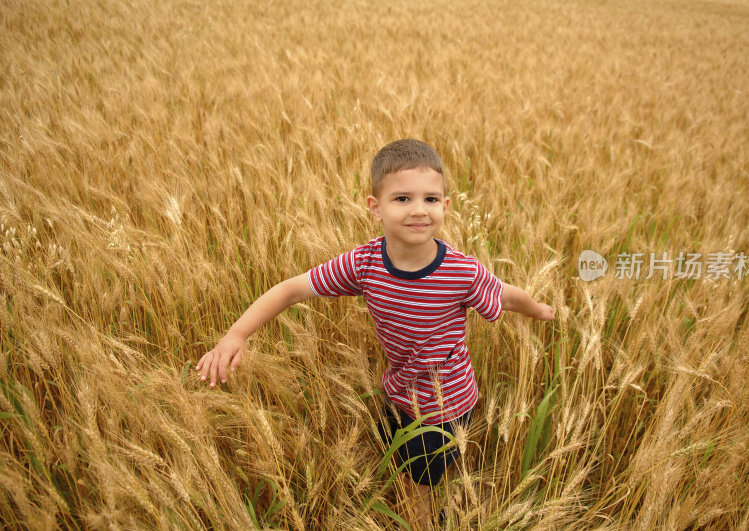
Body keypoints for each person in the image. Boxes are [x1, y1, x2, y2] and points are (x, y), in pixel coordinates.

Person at [195, 139, 555, 530]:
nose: (419, 210)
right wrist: (236, 333)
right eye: (402, 198)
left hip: (444, 404)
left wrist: (537, 309)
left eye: (431, 199)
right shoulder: (364, 263)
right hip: (398, 391)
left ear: (446, 207)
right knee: (401, 461)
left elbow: (505, 294)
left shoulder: (460, 272)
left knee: (417, 488)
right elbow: (291, 289)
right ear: (375, 207)